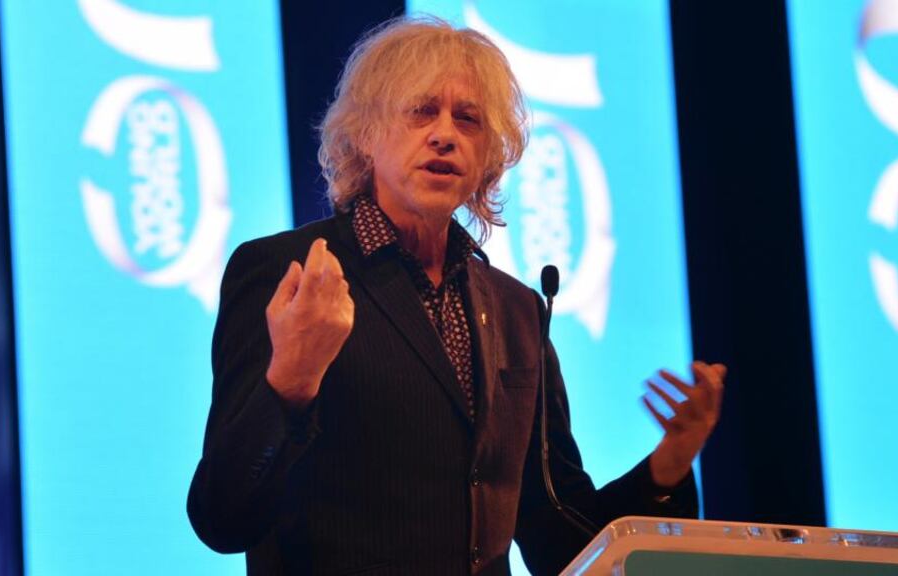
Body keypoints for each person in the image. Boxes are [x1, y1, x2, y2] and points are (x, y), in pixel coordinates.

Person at [187, 15, 725, 576]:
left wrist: (668, 464)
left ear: (489, 156)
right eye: (422, 110)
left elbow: (557, 541)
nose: (445, 133)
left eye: (468, 119)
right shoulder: (290, 273)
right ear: (366, 133)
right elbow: (223, 517)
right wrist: (288, 386)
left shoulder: (518, 311)